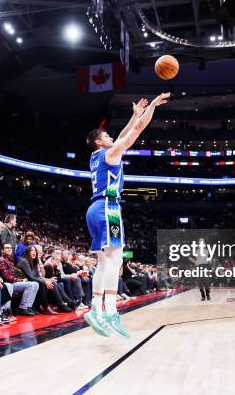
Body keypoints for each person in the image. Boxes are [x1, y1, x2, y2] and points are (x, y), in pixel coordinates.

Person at [83, 93, 169, 338]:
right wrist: (150, 108)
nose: (111, 136)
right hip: (108, 208)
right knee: (116, 259)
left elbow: (123, 135)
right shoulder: (110, 154)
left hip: (94, 209)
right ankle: (111, 311)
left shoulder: (96, 156)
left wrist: (133, 115)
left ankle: (94, 310)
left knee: (102, 262)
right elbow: (136, 132)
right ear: (99, 142)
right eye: (106, 135)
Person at [18, 245, 72, 314]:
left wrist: (48, 280)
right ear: (27, 252)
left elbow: (38, 276)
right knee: (41, 283)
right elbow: (30, 277)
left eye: (35, 251)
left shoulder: (34, 262)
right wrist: (45, 281)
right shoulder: (24, 261)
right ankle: (46, 307)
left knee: (51, 282)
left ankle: (60, 305)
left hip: (30, 281)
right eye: (32, 250)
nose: (34, 252)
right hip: (22, 281)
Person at [0, 243, 39, 316]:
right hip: (6, 284)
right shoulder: (1, 260)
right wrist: (21, 280)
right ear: (2, 250)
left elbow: (13, 275)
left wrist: (21, 279)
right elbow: (7, 277)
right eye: (7, 248)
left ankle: (28, 306)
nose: (9, 249)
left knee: (35, 284)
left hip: (13, 283)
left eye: (10, 248)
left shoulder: (10, 260)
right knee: (31, 285)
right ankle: (22, 308)